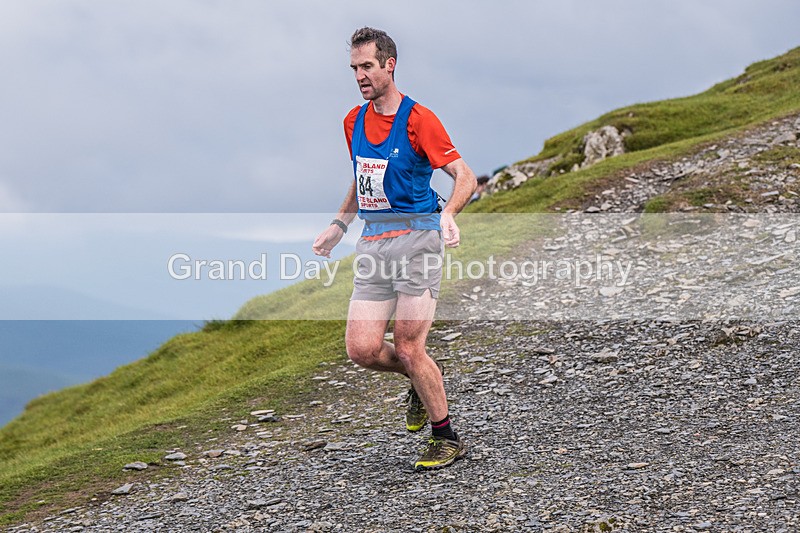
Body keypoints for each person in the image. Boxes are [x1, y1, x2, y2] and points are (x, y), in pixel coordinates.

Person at [312, 27, 477, 470]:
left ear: (390, 65)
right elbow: (362, 178)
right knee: (361, 349)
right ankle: (419, 379)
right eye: (354, 68)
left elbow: (465, 177)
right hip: (373, 244)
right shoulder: (353, 121)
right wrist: (337, 225)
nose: (360, 76)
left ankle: (446, 438)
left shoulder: (419, 119)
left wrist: (448, 215)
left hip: (419, 240)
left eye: (367, 66)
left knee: (407, 346)